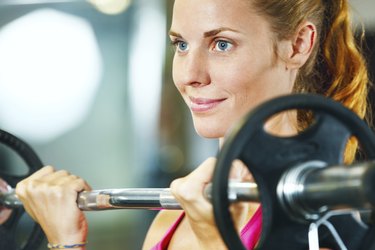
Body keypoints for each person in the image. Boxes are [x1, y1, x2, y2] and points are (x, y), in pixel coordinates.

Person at [15, 0, 370, 249]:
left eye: (222, 43)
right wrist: (66, 239)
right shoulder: (171, 217)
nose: (189, 75)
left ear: (298, 44)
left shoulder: (329, 220)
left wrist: (214, 239)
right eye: (181, 44)